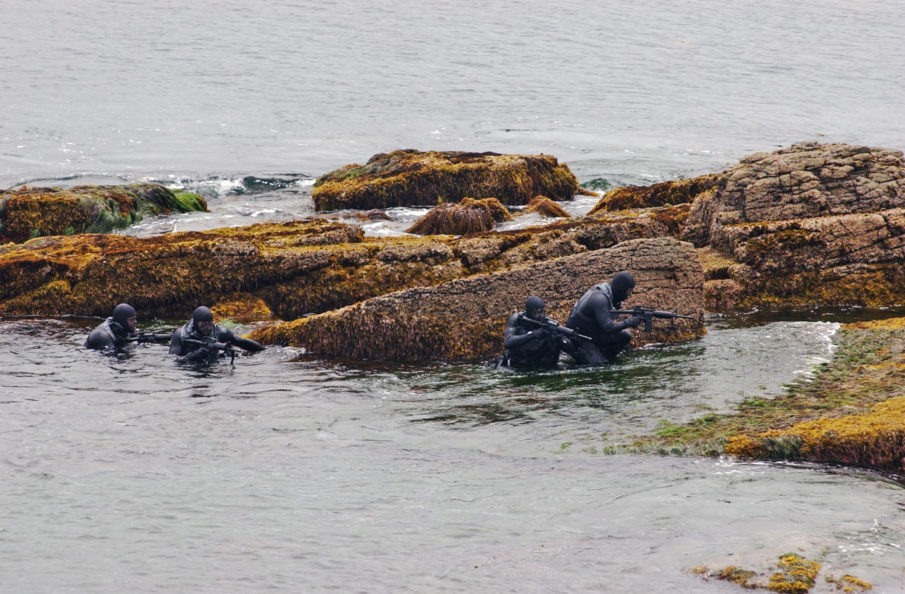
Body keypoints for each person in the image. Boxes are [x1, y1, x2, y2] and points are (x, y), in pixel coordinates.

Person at [565, 271, 642, 365]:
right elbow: (608, 327)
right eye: (628, 292)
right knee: (600, 366)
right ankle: (586, 358)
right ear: (621, 289)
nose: (629, 296)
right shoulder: (600, 299)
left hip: (592, 332)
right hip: (579, 337)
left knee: (625, 336)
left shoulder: (607, 292)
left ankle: (605, 356)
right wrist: (629, 322)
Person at [499, 296, 575, 370]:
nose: (541, 316)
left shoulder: (548, 324)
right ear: (528, 312)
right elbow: (508, 342)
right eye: (537, 313)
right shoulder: (517, 319)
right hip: (519, 364)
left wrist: (559, 338)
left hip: (542, 365)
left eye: (543, 311)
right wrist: (533, 334)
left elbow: (570, 349)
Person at [169, 306, 265, 363]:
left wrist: (263, 350)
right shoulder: (180, 334)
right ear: (196, 324)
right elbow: (172, 361)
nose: (207, 327)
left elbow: (240, 341)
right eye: (203, 325)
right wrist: (194, 355)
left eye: (209, 323)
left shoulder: (218, 331)